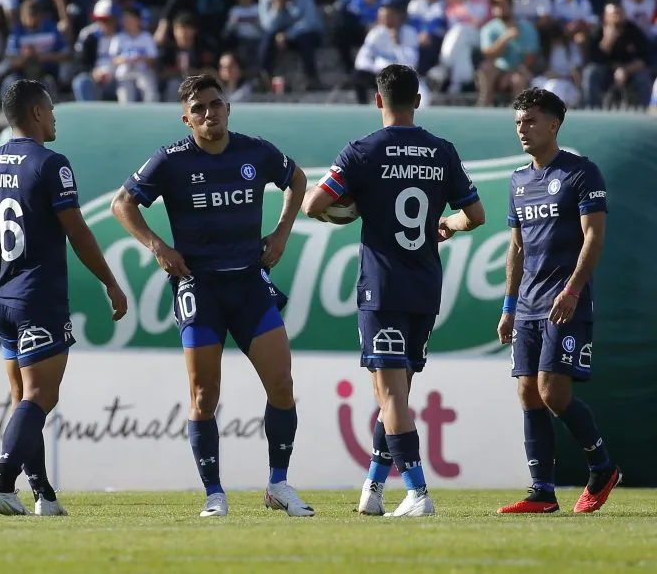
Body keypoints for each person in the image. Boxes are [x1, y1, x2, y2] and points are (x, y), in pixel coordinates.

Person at [110, 73, 312, 519]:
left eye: (215, 104)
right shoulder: (170, 160)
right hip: (199, 286)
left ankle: (278, 484)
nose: (208, 113)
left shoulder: (255, 152)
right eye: (198, 109)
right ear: (187, 119)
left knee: (282, 385)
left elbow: (297, 180)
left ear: (228, 108)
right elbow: (122, 203)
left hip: (249, 283)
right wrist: (157, 246)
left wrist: (281, 232)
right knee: (204, 395)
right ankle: (214, 494)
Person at [302, 64, 485, 517]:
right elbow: (476, 215)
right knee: (396, 394)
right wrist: (447, 224)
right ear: (418, 101)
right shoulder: (442, 151)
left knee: (390, 397)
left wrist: (348, 209)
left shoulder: (362, 151)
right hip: (425, 286)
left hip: (382, 288)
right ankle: (374, 489)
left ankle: (418, 494)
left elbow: (313, 205)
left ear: (378, 100)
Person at [0, 79, 128, 516]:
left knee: (24, 398)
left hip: (1, 296)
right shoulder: (50, 164)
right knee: (41, 396)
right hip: (37, 296)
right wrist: (110, 281)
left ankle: (43, 495)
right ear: (38, 113)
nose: (55, 116)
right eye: (51, 108)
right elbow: (77, 231)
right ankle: (2, 483)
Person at [496, 88, 621, 514]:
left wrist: (572, 290)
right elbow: (516, 247)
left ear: (554, 124)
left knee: (552, 392)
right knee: (528, 393)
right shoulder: (518, 180)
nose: (523, 129)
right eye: (518, 122)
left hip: (565, 302)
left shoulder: (580, 173)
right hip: (528, 306)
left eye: (531, 121)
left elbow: (594, 237)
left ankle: (602, 467)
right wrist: (508, 306)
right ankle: (542, 493)